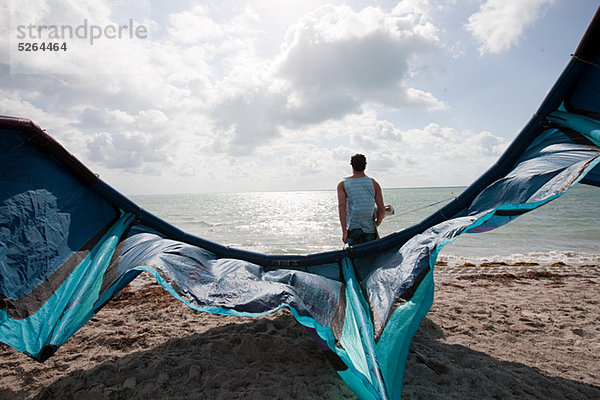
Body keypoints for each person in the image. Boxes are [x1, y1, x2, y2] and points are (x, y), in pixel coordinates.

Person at [337, 154, 385, 245]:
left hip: (353, 228)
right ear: (365, 165)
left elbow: (341, 207)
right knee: (370, 257)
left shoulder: (343, 184)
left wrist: (344, 232)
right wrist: (377, 223)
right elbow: (381, 209)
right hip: (370, 229)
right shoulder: (374, 183)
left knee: (356, 257)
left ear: (352, 165)